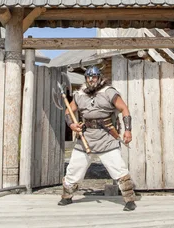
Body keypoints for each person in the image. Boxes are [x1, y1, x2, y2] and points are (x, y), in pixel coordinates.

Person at [58, 65, 137, 211]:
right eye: (88, 77)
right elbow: (68, 113)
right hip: (86, 137)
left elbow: (124, 109)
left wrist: (128, 131)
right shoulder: (80, 94)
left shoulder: (109, 92)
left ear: (99, 77)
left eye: (94, 77)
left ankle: (129, 200)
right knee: (74, 169)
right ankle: (67, 196)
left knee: (118, 168)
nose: (91, 80)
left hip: (106, 137)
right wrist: (71, 125)